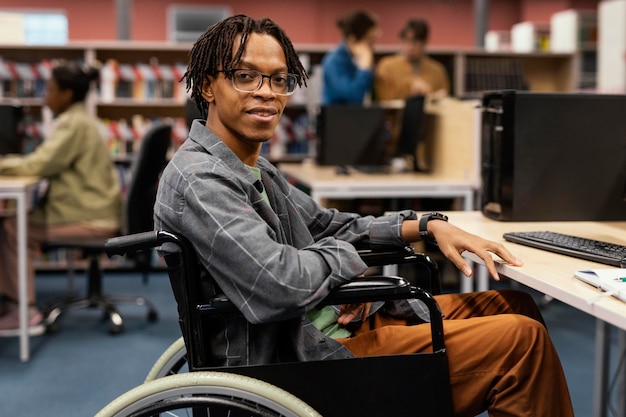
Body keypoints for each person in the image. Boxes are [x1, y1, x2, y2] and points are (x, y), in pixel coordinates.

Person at [154, 14, 574, 416]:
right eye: (246, 76)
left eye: (279, 79)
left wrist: (426, 225)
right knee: (521, 342)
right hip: (303, 359)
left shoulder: (254, 167)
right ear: (208, 86)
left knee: (513, 305)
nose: (266, 91)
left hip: (335, 320)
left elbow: (329, 227)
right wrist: (348, 270)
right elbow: (277, 281)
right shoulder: (200, 180)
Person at [0, 62, 121, 336]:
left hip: (92, 217)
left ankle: (24, 310)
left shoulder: (74, 123)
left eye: (51, 89)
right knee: (13, 224)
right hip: (94, 209)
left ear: (67, 94)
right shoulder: (80, 120)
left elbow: (38, 165)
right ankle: (14, 301)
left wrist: (3, 163)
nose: (45, 96)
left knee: (12, 228)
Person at [375, 18, 450, 101]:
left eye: (415, 42)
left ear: (425, 41)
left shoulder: (437, 71)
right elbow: (383, 99)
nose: (409, 47)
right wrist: (410, 87)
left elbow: (444, 97)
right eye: (406, 40)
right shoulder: (386, 66)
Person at [321, 10, 379, 105]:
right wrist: (364, 69)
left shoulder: (359, 61)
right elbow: (353, 96)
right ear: (353, 40)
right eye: (369, 40)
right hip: (338, 117)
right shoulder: (333, 61)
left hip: (359, 116)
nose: (372, 46)